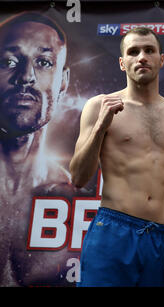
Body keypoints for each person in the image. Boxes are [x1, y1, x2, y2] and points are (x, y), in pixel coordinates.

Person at [70, 27, 164, 286]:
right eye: (133, 52)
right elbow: (79, 177)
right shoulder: (99, 106)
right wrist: (101, 127)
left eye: (149, 50)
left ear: (161, 60)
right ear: (122, 62)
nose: (141, 57)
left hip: (161, 239)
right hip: (113, 232)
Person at [0, 12, 75, 286]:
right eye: (9, 61)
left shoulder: (75, 195)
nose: (26, 77)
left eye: (43, 62)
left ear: (63, 81)